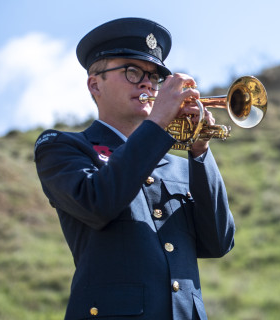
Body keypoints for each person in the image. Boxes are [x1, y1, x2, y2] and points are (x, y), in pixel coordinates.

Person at [34, 17, 236, 319]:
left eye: (153, 77)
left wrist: (200, 150)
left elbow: (218, 241)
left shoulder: (178, 166)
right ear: (95, 84)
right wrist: (157, 124)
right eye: (132, 71)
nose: (146, 83)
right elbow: (97, 202)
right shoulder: (61, 147)